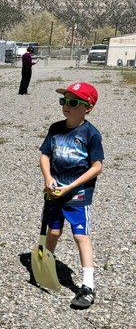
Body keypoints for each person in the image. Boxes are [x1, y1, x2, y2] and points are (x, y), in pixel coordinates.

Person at [39, 81, 104, 308]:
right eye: (63, 101)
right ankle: (46, 265)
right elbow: (45, 155)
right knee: (54, 231)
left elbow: (97, 166)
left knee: (80, 237)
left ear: (88, 107)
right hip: (55, 193)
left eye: (73, 102)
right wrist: (48, 178)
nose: (66, 106)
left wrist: (71, 186)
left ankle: (87, 286)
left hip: (78, 195)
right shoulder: (55, 129)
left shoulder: (91, 134)